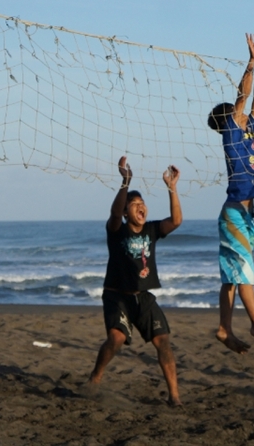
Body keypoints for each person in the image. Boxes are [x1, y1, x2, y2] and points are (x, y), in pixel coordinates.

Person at [207, 33, 254, 354]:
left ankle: (225, 329)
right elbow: (243, 96)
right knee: (245, 273)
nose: (242, 112)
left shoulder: (250, 128)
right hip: (236, 213)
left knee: (231, 277)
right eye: (235, 112)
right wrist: (251, 62)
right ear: (228, 120)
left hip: (240, 215)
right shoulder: (231, 134)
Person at [87, 157, 183, 406]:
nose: (141, 207)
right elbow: (114, 212)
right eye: (135, 204)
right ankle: (95, 378)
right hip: (117, 296)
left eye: (143, 203)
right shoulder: (117, 230)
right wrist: (125, 183)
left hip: (143, 297)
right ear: (127, 212)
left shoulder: (152, 230)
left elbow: (176, 221)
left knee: (163, 342)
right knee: (116, 339)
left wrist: (171, 187)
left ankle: (174, 397)